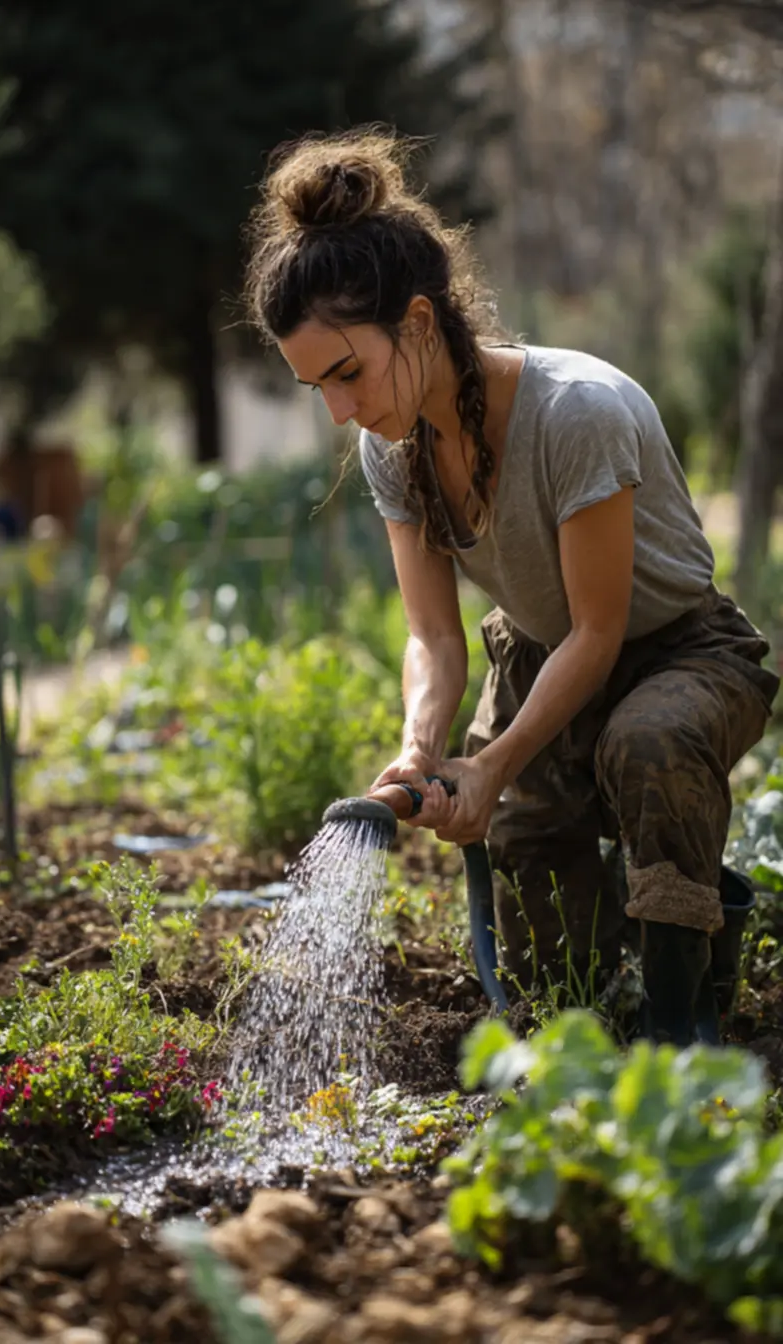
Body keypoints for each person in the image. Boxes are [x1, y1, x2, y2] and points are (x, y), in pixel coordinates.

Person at [245, 128, 780, 1045]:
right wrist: (422, 749)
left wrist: (493, 763)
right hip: (537, 654)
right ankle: (620, 976)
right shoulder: (392, 447)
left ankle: (684, 1031)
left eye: (347, 373)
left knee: (647, 746)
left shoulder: (578, 414)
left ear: (417, 323)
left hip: (680, 650)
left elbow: (601, 633)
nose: (340, 409)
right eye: (314, 389)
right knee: (544, 935)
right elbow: (436, 638)